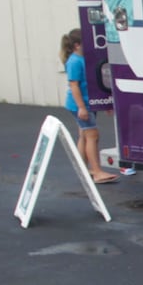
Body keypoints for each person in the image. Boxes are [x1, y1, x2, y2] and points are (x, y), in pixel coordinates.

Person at [60, 29, 116, 184]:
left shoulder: (83, 59)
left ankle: (83, 168)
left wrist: (105, 103)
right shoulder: (74, 61)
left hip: (87, 103)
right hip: (81, 104)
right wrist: (81, 108)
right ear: (77, 45)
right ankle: (97, 172)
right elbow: (74, 85)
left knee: (85, 135)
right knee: (93, 136)